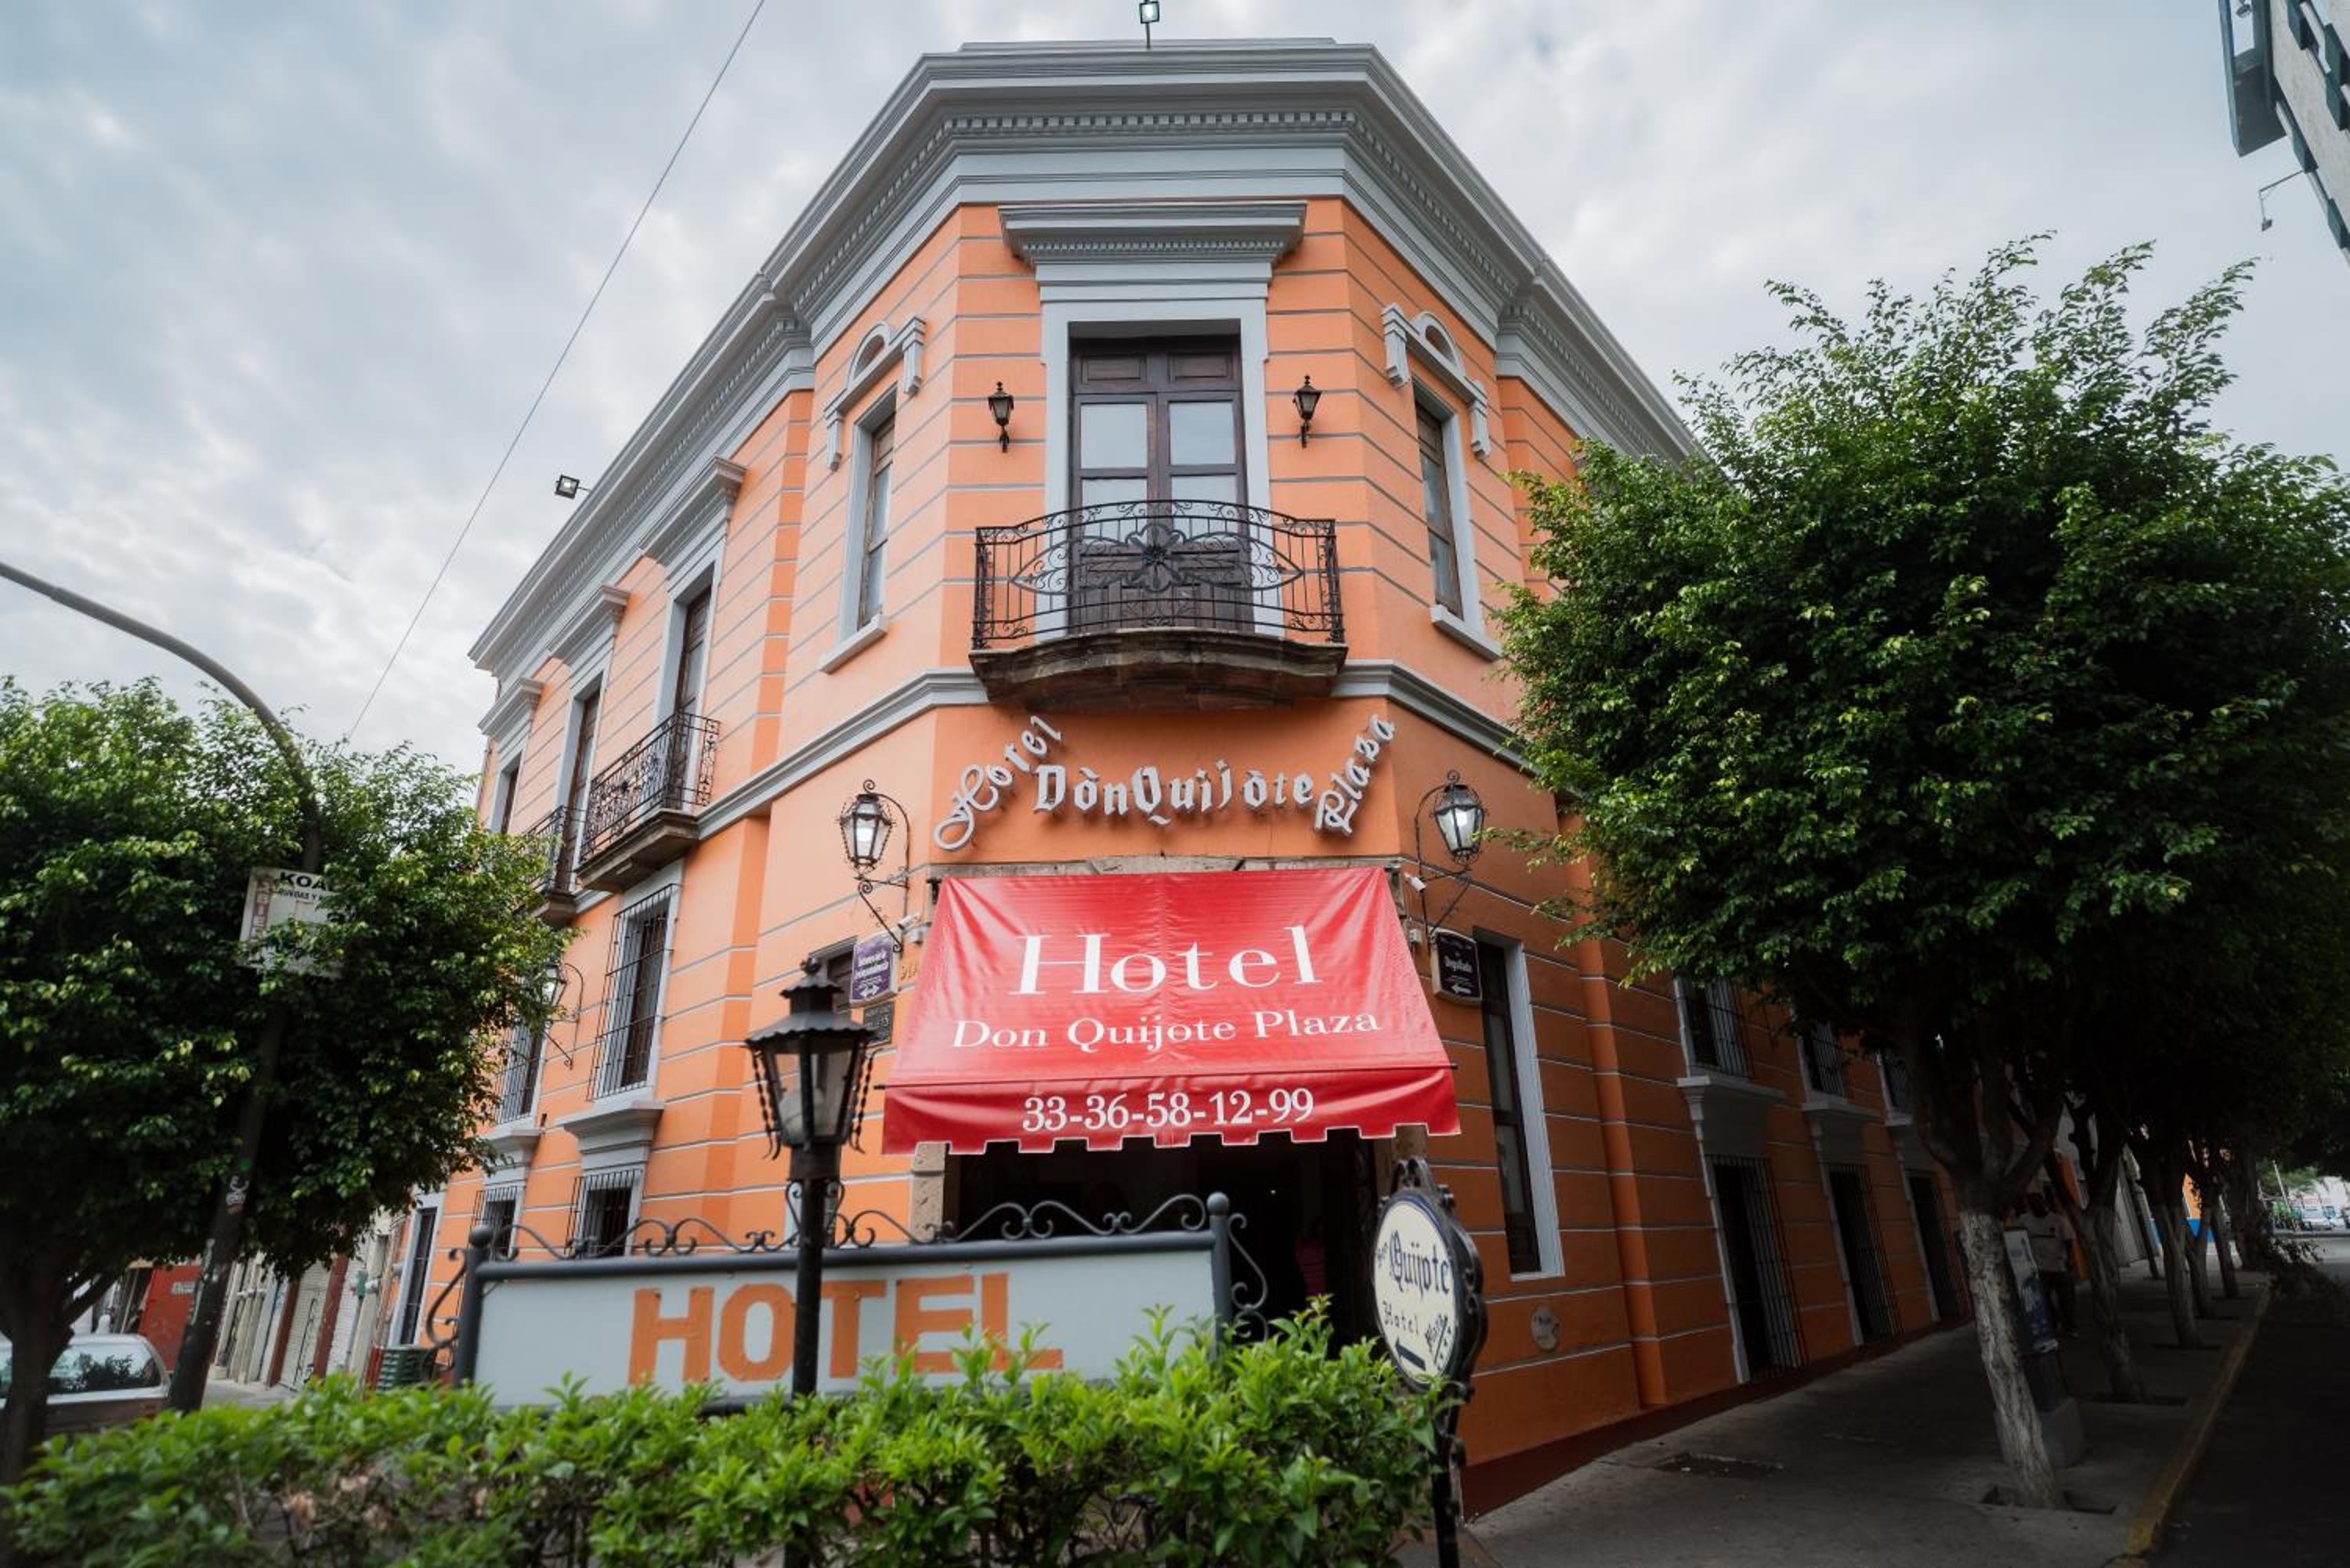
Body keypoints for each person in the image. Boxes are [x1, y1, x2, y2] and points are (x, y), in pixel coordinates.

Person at [2022, 1190, 2077, 1335]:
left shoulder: (2058, 1220)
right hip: (2039, 1268)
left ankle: (2069, 1327)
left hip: (2059, 1266)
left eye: (2037, 1203)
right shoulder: (2025, 1220)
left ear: (2044, 1203)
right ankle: (2054, 1321)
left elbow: (2069, 1240)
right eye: (2031, 1204)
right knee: (2043, 1298)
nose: (2034, 1206)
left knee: (2066, 1299)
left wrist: (2069, 1259)